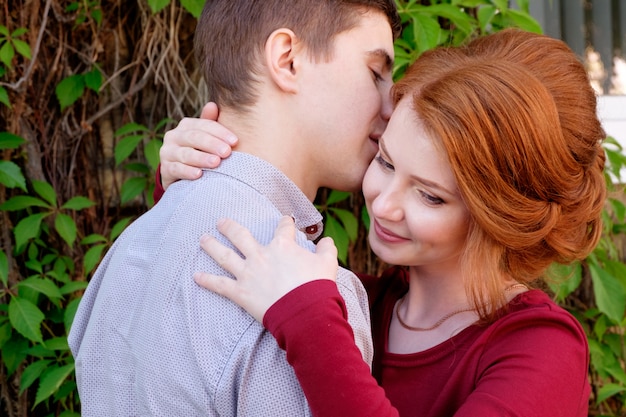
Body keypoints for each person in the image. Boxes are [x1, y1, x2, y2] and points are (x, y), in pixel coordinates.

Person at [156, 29, 606, 416]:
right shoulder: (355, 302)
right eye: (387, 162)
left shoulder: (542, 350)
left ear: (499, 216)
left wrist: (311, 326)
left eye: (430, 195)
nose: (384, 205)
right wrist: (187, 185)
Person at [68, 1, 402, 415]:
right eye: (375, 73)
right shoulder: (310, 298)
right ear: (288, 59)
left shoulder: (127, 248)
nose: (392, 107)